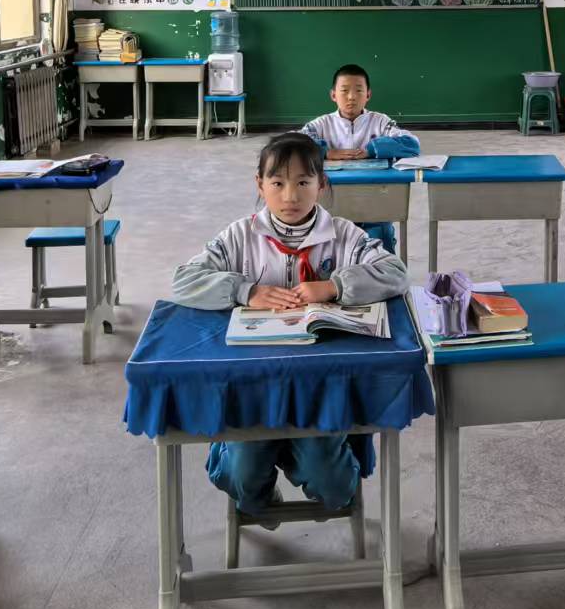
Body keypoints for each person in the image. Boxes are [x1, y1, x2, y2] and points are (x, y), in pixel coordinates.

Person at [171, 133, 408, 517]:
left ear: (321, 184)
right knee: (244, 477)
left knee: (333, 486)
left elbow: (395, 273)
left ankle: (312, 459)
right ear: (260, 184)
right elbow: (183, 280)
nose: (290, 196)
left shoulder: (343, 235)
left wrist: (334, 286)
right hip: (253, 387)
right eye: (278, 183)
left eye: (303, 182)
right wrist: (245, 291)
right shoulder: (240, 236)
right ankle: (254, 484)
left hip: (322, 390)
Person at [300, 64, 420, 252]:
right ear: (333, 95)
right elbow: (292, 145)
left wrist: (371, 150)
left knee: (380, 244)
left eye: (358, 90)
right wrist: (325, 152)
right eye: (344, 90)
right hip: (333, 205)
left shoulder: (380, 122)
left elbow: (411, 144)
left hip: (375, 203)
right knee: (330, 249)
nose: (351, 97)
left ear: (368, 95)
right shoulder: (322, 124)